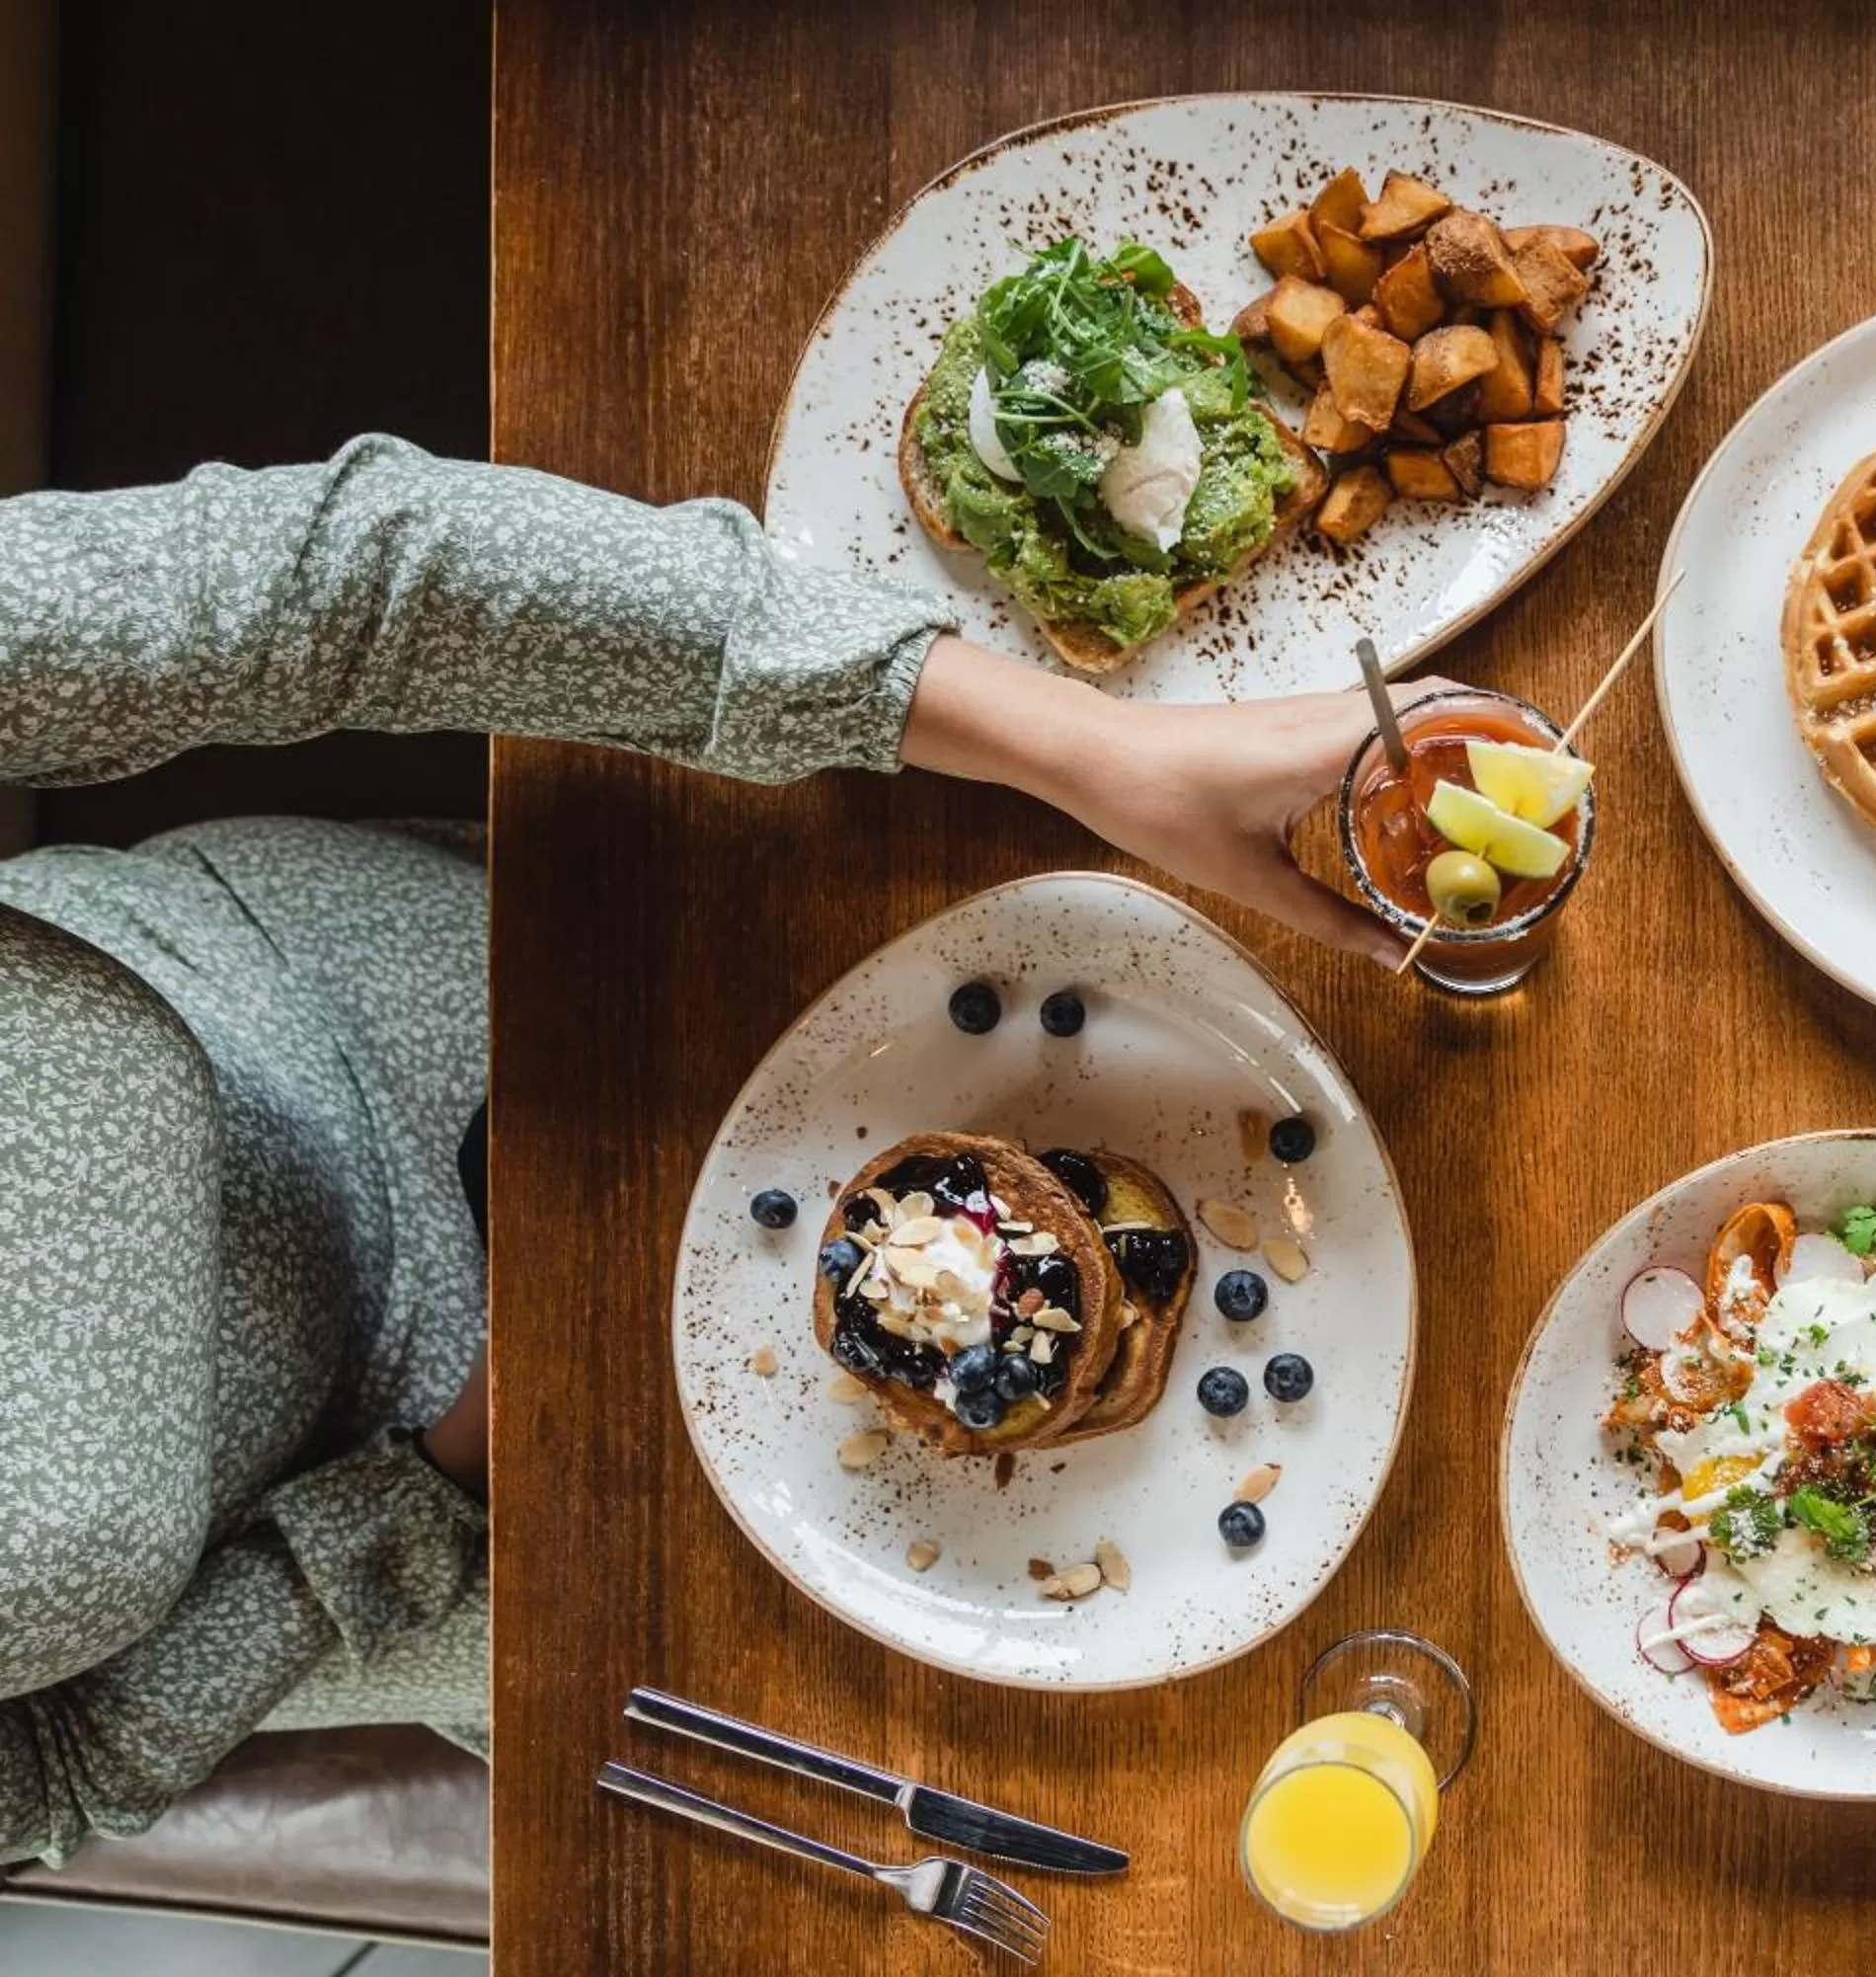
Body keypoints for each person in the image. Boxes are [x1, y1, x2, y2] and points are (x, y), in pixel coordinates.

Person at [0, 435, 1431, 1865]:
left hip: (483, 993)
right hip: (436, 1555)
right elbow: (53, 1768)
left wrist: (1096, 750)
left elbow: (362, 578)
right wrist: (436, 1489)